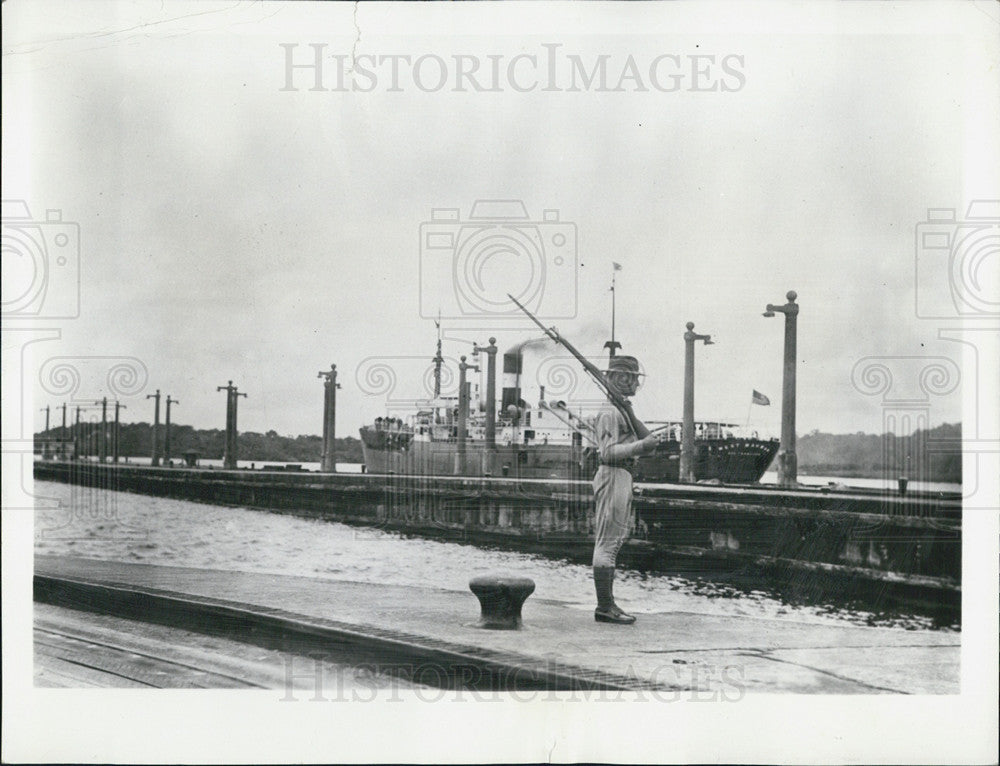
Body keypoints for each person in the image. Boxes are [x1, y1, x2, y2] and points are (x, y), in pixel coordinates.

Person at [591, 355, 661, 624]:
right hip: (613, 474)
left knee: (614, 541)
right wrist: (639, 448)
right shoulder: (609, 412)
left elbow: (644, 439)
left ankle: (609, 604)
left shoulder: (621, 411)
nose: (631, 382)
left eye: (633, 377)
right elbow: (607, 453)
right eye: (626, 377)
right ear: (613, 379)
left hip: (623, 475)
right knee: (607, 543)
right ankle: (604, 606)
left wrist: (630, 414)